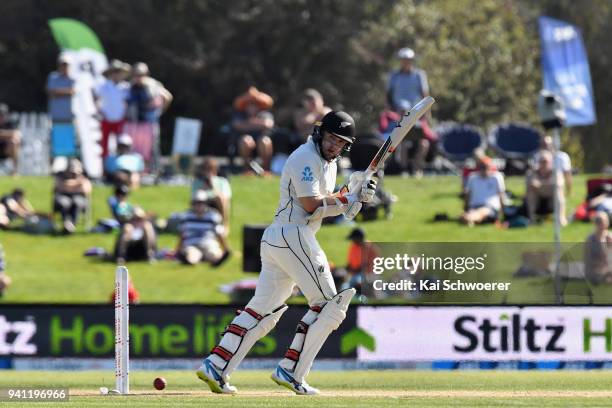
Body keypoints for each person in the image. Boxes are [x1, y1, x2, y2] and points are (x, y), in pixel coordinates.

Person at [196, 111, 377, 395]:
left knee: (261, 311)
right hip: (291, 234)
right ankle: (292, 370)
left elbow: (328, 206)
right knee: (330, 305)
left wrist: (353, 194)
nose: (334, 146)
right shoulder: (304, 156)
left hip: (282, 238)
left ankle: (216, 365)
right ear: (320, 133)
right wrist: (349, 198)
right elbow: (310, 204)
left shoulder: (329, 163)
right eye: (331, 138)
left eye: (340, 142)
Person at [125, 62, 173, 173]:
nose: (139, 76)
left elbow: (168, 97)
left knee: (153, 147)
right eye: (136, 74)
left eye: (141, 74)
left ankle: (155, 170)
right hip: (136, 123)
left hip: (150, 122)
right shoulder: (131, 85)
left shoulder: (154, 85)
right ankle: (139, 170)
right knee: (137, 148)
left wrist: (160, 111)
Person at [176, 191, 231, 266]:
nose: (199, 206)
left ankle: (216, 261)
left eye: (201, 203)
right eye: (196, 203)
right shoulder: (186, 216)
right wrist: (177, 249)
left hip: (208, 243)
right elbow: (182, 234)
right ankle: (188, 260)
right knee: (192, 255)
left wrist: (226, 248)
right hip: (192, 243)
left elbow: (219, 235)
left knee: (213, 254)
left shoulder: (213, 216)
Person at [232, 87, 275, 173]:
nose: (252, 107)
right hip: (244, 144)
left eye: (255, 104)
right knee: (246, 140)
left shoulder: (265, 114)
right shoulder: (240, 114)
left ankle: (266, 170)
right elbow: (237, 125)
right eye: (249, 104)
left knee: (265, 141)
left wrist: (248, 123)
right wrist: (258, 124)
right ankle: (247, 170)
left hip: (261, 141)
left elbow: (268, 124)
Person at [95, 59, 131, 160]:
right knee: (104, 145)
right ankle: (105, 169)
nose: (116, 74)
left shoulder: (125, 87)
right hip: (106, 118)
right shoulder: (103, 86)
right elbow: (96, 100)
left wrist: (125, 114)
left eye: (118, 72)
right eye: (114, 72)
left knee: (121, 144)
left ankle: (120, 165)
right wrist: (100, 111)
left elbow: (128, 102)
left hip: (120, 119)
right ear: (110, 73)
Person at [460, 155, 505, 226]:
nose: (484, 170)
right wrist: (465, 208)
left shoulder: (496, 177)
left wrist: (502, 212)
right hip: (474, 206)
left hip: (490, 207)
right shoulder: (472, 178)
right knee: (476, 213)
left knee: (483, 211)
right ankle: (471, 219)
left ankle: (469, 219)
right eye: (482, 167)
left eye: (486, 167)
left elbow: (501, 195)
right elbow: (468, 194)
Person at [526, 150, 567, 225]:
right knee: (531, 193)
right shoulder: (532, 172)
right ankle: (532, 219)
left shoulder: (556, 172)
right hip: (538, 200)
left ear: (550, 162)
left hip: (552, 200)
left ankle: (561, 218)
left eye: (546, 161)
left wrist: (541, 184)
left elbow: (559, 184)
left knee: (559, 193)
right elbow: (531, 183)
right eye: (541, 161)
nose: (544, 164)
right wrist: (547, 184)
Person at [192, 156, 232, 230]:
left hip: (218, 204)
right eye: (205, 169)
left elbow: (226, 197)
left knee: (220, 198)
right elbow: (194, 197)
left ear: (215, 170)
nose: (207, 172)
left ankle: (225, 225)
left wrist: (213, 187)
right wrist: (203, 189)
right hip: (203, 202)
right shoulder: (197, 182)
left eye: (210, 169)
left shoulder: (222, 181)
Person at [53, 158, 92, 233]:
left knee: (77, 202)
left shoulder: (84, 176)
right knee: (64, 203)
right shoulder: (60, 175)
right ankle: (66, 223)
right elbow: (59, 187)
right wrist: (77, 184)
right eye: (71, 172)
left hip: (79, 198)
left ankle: (72, 225)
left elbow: (86, 190)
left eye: (75, 172)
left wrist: (69, 185)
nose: (73, 174)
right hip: (63, 197)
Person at [386, 48, 429, 114]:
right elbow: (388, 95)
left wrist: (427, 115)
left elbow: (425, 95)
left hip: (416, 113)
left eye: (408, 60)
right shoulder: (393, 75)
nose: (406, 62)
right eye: (403, 60)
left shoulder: (419, 75)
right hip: (397, 112)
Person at [46, 54, 76, 127]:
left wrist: (57, 92)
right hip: (56, 116)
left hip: (70, 116)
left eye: (66, 65)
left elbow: (73, 92)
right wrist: (68, 92)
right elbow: (51, 93)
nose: (64, 67)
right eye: (62, 65)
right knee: (57, 137)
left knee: (68, 138)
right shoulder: (53, 77)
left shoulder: (73, 78)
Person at [584, 212, 612, 284]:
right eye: (598, 222)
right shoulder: (590, 240)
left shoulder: (609, 237)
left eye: (602, 222)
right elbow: (589, 260)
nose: (601, 225)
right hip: (595, 271)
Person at [0, 103, 22, 175]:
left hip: (6, 149)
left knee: (14, 142)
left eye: (2, 115)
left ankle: (15, 171)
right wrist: (8, 134)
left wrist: (3, 133)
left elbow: (17, 134)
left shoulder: (11, 122)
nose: (1, 117)